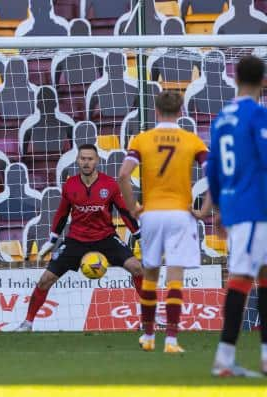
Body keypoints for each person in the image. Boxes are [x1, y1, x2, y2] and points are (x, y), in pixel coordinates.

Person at [16, 144, 143, 332]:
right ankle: (27, 323)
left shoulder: (110, 185)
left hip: (105, 238)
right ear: (77, 160)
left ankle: (148, 319)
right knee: (45, 279)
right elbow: (61, 213)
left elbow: (125, 212)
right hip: (76, 240)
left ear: (97, 161)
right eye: (83, 158)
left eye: (90, 159)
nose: (86, 162)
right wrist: (52, 240)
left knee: (138, 269)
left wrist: (139, 236)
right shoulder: (70, 185)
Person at [119, 91, 208, 354]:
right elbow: (213, 175)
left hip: (152, 214)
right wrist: (203, 209)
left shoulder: (142, 139)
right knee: (174, 276)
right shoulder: (192, 140)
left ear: (155, 111)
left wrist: (133, 207)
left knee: (150, 274)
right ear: (182, 111)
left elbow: (123, 175)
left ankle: (148, 336)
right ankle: (170, 340)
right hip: (181, 214)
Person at [208, 56, 267, 377]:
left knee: (262, 280)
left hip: (237, 207)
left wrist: (218, 208)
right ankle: (224, 358)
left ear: (234, 79)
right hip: (255, 208)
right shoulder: (257, 114)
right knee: (243, 280)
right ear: (263, 81)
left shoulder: (221, 118)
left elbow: (212, 167)